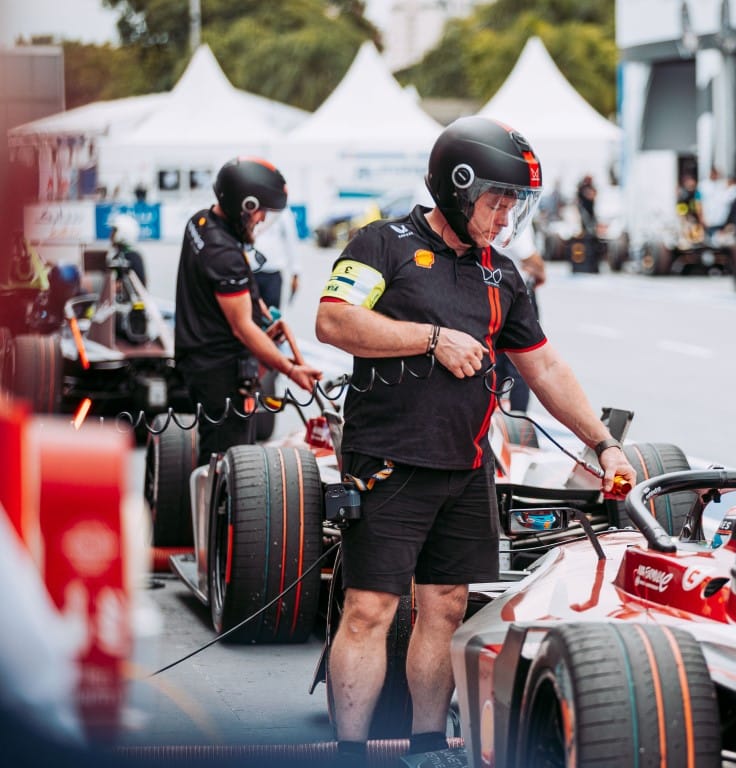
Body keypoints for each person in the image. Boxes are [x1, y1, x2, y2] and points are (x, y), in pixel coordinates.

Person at [314, 116, 636, 767]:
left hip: (466, 469)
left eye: (515, 201)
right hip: (386, 465)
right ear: (456, 190)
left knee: (446, 609)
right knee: (370, 611)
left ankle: (428, 747)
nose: (505, 213)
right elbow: (332, 320)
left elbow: (542, 366)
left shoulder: (504, 277)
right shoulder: (383, 243)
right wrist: (430, 337)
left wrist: (604, 443)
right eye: (496, 199)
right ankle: (350, 752)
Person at [174, 157, 322, 466]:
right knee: (230, 459)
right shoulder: (223, 253)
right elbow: (242, 327)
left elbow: (232, 294)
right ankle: (215, 513)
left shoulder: (201, 222)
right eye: (260, 211)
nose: (261, 219)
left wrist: (263, 310)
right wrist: (291, 370)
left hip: (198, 357)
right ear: (245, 204)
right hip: (220, 371)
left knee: (218, 448)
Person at [494, 223, 546, 412]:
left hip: (489, 287)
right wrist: (541, 271)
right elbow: (523, 250)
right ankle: (517, 422)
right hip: (513, 290)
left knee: (495, 363)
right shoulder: (511, 206)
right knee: (522, 363)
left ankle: (491, 416)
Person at [251, 206, 300, 310]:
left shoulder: (282, 210)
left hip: (272, 273)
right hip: (250, 273)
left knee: (272, 316)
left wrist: (295, 273)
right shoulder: (250, 206)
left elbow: (291, 242)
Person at [108, 213, 147, 287]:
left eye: (114, 231)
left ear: (123, 233)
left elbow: (115, 287)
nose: (110, 235)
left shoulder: (124, 258)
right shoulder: (134, 255)